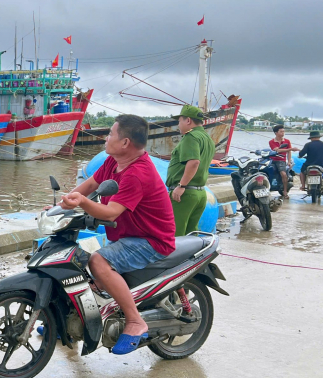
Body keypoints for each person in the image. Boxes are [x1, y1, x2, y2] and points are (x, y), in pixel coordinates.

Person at [58, 115, 175, 355]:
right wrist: (60, 206)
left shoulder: (137, 173)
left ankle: (135, 321)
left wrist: (80, 202)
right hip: (127, 236)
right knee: (80, 267)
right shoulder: (114, 162)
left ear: (125, 143)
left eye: (111, 134)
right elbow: (91, 184)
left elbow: (111, 213)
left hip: (150, 240)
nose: (106, 138)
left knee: (97, 261)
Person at [166, 105, 215, 236]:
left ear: (188, 121)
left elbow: (194, 162)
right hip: (199, 193)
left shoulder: (191, 137)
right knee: (191, 234)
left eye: (179, 121)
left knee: (175, 235)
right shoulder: (207, 138)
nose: (178, 124)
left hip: (185, 194)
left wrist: (181, 186)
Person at [269, 124, 300, 198]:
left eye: (283, 131)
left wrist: (288, 161)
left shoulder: (287, 141)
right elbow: (277, 150)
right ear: (276, 133)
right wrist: (290, 149)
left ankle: (285, 191)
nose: (283, 133)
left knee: (283, 174)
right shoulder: (271, 141)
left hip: (281, 160)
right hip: (272, 159)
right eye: (281, 132)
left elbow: (289, 152)